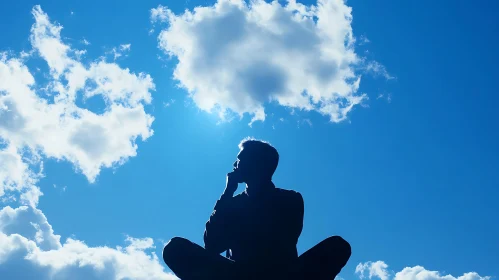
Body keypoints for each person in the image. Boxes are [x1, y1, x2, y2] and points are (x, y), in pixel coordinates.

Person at [163, 138, 351, 280]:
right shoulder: (232, 203)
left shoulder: (290, 199)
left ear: (257, 164)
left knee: (337, 245)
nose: (234, 164)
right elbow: (212, 245)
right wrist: (227, 193)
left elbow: (281, 239)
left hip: (283, 275)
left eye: (240, 159)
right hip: (238, 275)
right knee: (175, 248)